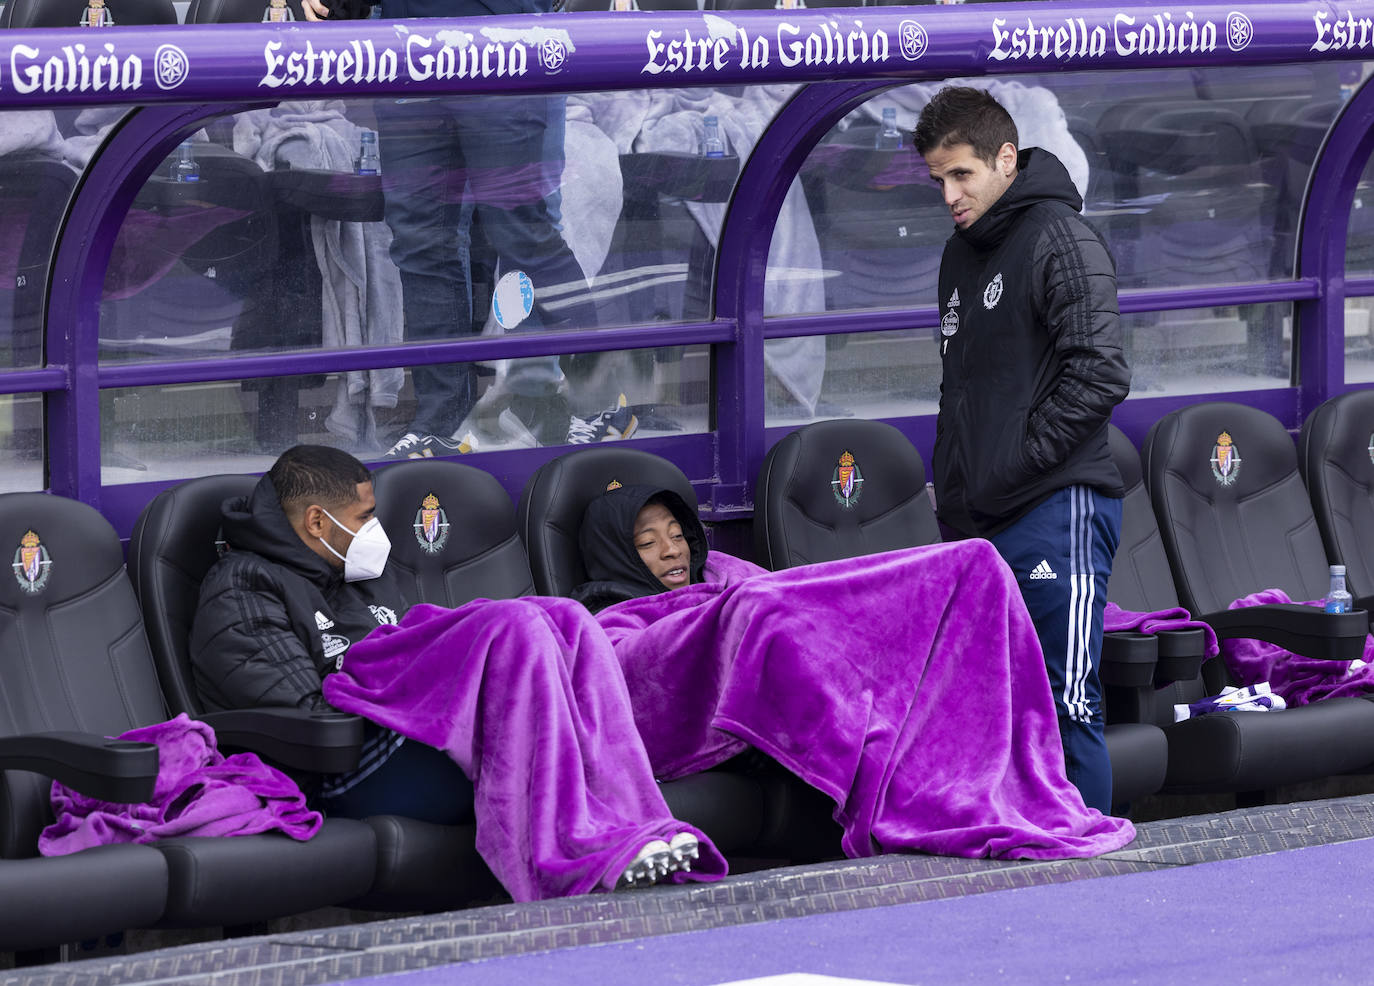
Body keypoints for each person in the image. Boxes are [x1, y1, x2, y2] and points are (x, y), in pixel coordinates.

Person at [189, 445, 720, 901]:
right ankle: (568, 857)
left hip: (403, 744)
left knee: (562, 618)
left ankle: (632, 827)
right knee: (513, 626)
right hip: (340, 769)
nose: (375, 531)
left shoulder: (359, 575)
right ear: (316, 524)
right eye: (362, 517)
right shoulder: (242, 586)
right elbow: (302, 719)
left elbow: (407, 653)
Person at [566, 483, 1136, 862]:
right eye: (647, 543)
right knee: (762, 614)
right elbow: (642, 677)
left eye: (677, 535)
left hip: (830, 678)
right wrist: (737, 614)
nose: (671, 552)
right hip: (766, 712)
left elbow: (805, 599)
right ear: (618, 556)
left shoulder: (726, 575)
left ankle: (950, 756)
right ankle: (897, 777)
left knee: (974, 563)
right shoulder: (607, 622)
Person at [913, 87, 1131, 814]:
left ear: (1006, 159)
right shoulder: (958, 256)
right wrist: (957, 488)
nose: (948, 194)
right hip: (979, 524)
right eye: (938, 180)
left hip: (1054, 506)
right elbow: (963, 391)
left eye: (961, 175)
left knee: (1065, 705)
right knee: (995, 717)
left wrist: (1013, 467)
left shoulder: (1060, 238)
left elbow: (1100, 371)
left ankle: (1090, 874)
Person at [300, 0, 636, 457]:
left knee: (524, 233)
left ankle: (597, 403)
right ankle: (441, 418)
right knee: (420, 241)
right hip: (408, 43)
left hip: (507, 38)